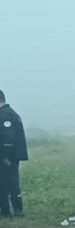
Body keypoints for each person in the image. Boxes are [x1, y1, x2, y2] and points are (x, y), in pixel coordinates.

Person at [0, 90, 28, 218]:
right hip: (10, 157)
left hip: (7, 157)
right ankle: (10, 210)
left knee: (8, 184)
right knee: (8, 184)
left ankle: (12, 211)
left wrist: (4, 156)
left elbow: (7, 139)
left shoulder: (5, 115)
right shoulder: (11, 113)